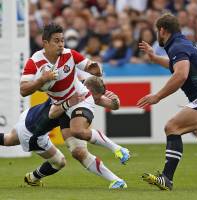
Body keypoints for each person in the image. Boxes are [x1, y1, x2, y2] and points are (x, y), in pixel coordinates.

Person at [20, 23, 130, 169]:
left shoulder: (70, 54)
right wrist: (41, 80)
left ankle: (118, 150)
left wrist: (96, 70)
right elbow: (23, 90)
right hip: (60, 107)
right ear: (45, 42)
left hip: (78, 99)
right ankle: (117, 180)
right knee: (77, 152)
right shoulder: (34, 61)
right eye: (56, 41)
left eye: (62, 40)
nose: (61, 44)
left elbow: (90, 66)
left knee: (77, 131)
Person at [0, 76, 128, 188]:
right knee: (59, 162)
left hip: (31, 114)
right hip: (32, 133)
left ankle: (116, 180)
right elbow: (52, 113)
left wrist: (115, 101)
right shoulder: (74, 97)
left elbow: (108, 104)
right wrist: (68, 103)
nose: (95, 102)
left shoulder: (77, 87)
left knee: (8, 139)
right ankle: (33, 178)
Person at [137, 13, 197, 191]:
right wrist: (155, 58)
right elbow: (177, 65)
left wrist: (157, 96)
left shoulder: (177, 46)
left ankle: (166, 178)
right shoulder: (181, 44)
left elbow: (181, 74)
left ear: (162, 30)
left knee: (172, 127)